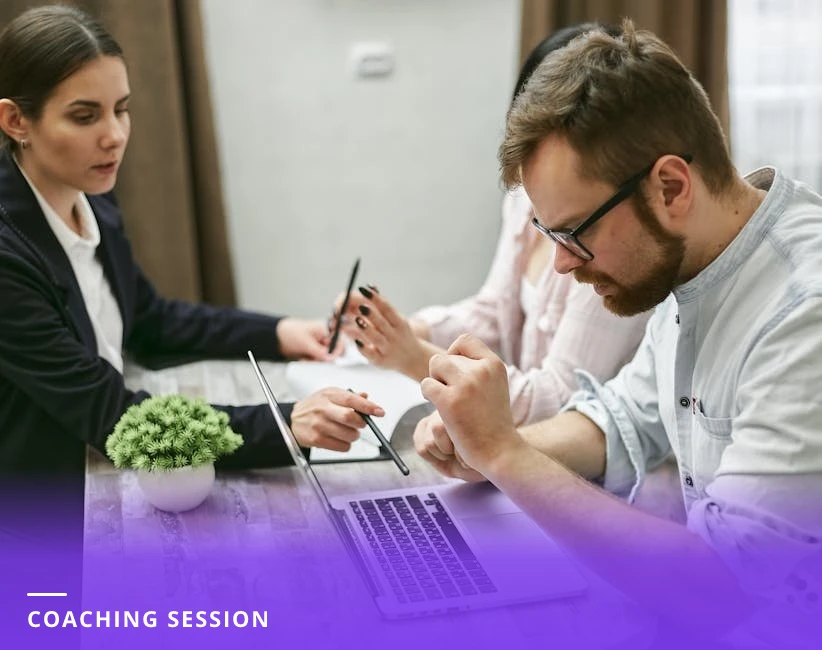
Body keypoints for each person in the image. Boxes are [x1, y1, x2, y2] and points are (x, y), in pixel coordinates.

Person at [414, 19, 822, 646]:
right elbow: (621, 420)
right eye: (550, 236)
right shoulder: (696, 261)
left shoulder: (804, 311)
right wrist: (486, 445)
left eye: (575, 233)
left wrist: (507, 454)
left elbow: (726, 585)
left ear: (670, 187)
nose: (561, 264)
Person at [0, 6, 384, 518]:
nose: (114, 135)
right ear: (15, 120)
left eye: (122, 108)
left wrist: (282, 333)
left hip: (102, 474)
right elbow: (108, 413)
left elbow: (151, 320)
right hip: (40, 508)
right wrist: (284, 422)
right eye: (85, 116)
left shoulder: (90, 195)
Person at [336, 24, 649, 428]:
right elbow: (493, 313)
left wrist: (416, 357)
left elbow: (559, 402)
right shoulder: (523, 198)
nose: (560, 259)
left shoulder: (611, 240)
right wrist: (404, 330)